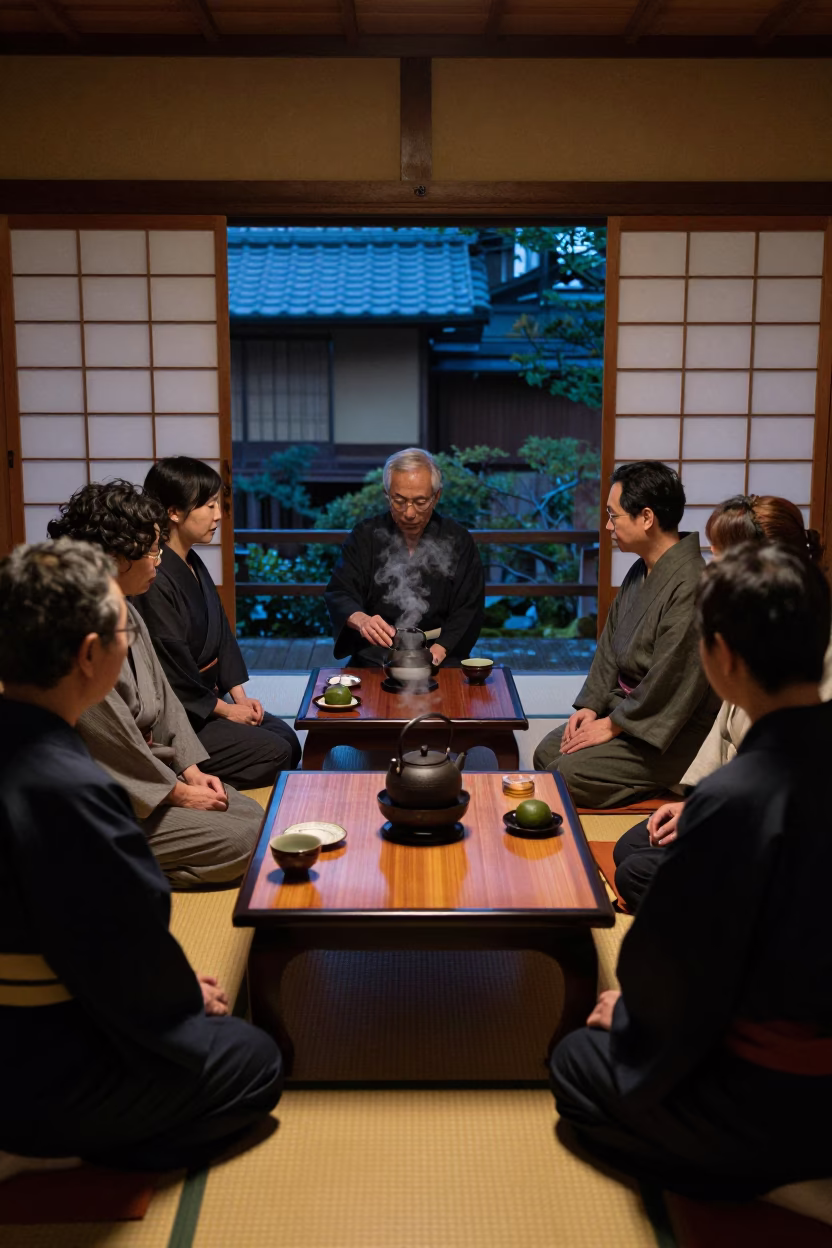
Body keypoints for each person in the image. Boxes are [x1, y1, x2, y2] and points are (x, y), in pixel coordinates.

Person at [550, 543, 832, 1200]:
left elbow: (674, 970)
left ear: (723, 657)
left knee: (575, 1064)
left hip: (778, 1096)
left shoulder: (738, 801)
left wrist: (635, 1014)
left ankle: (766, 1182)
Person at [0, 539, 282, 1174]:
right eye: (124, 626)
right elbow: (117, 948)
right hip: (41, 1073)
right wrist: (181, 997)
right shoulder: (71, 792)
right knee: (253, 1060)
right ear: (90, 655)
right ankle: (56, 1156)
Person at [614, 494, 832, 911]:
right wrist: (695, 804)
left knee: (638, 870)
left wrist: (712, 813)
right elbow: (725, 739)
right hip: (744, 805)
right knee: (633, 847)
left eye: (721, 556)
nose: (710, 567)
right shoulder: (753, 627)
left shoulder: (795, 647)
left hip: (777, 848)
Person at [48, 481, 263, 889]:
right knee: (245, 839)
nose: (158, 562)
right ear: (113, 559)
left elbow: (163, 699)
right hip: (104, 798)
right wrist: (178, 794)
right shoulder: (77, 633)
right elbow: (111, 748)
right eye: (151, 552)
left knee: (252, 814)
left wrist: (191, 770)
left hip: (149, 776)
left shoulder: (125, 608)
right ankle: (103, 868)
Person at [534, 461, 719, 808]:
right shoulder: (640, 571)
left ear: (646, 517)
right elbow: (609, 649)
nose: (607, 526)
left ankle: (661, 786)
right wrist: (591, 706)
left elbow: (672, 678)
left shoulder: (692, 583)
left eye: (613, 515)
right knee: (547, 753)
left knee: (567, 775)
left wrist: (612, 726)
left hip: (669, 730)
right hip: (626, 712)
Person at [136, 457, 301, 789]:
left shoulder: (192, 561)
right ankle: (176, 774)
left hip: (210, 705)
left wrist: (240, 699)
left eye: (217, 504)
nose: (218, 515)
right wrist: (226, 712)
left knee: (288, 738)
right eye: (209, 505)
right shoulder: (154, 579)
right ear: (174, 512)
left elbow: (222, 637)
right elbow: (173, 673)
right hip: (184, 716)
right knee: (277, 753)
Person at [324, 448, 484, 668]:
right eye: (399, 501)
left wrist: (437, 653)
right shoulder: (365, 536)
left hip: (440, 655)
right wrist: (362, 621)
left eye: (420, 502)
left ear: (436, 496)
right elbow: (339, 592)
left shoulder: (458, 539)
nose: (409, 513)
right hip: (376, 656)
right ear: (386, 494)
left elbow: (469, 606)